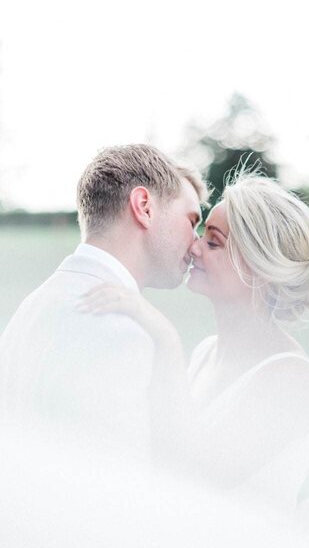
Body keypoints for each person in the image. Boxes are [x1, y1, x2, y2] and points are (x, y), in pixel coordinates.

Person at [80, 168, 309, 540]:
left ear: (260, 269)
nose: (194, 247)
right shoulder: (204, 352)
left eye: (214, 242)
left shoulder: (291, 379)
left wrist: (165, 340)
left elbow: (193, 482)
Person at [0, 143, 208, 461]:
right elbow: (116, 491)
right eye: (192, 221)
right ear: (144, 207)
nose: (196, 243)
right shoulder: (119, 330)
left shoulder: (31, 307)